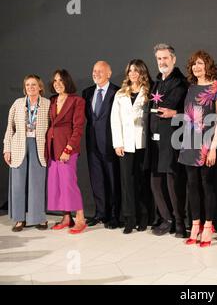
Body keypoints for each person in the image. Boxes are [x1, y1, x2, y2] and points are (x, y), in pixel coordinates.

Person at [178, 50, 217, 247]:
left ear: (207, 65)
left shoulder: (216, 87)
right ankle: (195, 225)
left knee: (207, 184)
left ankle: (208, 226)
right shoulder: (190, 87)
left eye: (200, 63)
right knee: (192, 185)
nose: (196, 67)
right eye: (193, 64)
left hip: (207, 142)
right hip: (188, 142)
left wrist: (214, 147)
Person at [147, 43, 188, 237]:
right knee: (155, 181)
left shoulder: (181, 82)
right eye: (159, 59)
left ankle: (180, 223)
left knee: (173, 182)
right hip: (155, 139)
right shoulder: (157, 82)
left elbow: (174, 108)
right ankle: (167, 219)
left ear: (173, 59)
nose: (162, 62)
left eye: (165, 58)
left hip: (172, 138)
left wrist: (175, 113)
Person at [3, 75, 50, 231]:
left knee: (36, 183)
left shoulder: (47, 104)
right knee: (18, 184)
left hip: (38, 145)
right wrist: (7, 149)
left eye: (34, 84)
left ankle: (39, 218)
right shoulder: (18, 103)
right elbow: (10, 127)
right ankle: (19, 219)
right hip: (19, 145)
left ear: (40, 87)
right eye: (28, 85)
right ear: (25, 88)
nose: (31, 87)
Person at [111, 59, 152, 234]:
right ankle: (129, 218)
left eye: (136, 70)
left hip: (142, 143)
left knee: (142, 181)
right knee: (127, 182)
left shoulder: (149, 92)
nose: (133, 74)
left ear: (142, 72)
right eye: (130, 71)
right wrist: (117, 143)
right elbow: (115, 120)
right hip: (125, 145)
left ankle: (144, 217)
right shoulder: (120, 94)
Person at [46, 69, 87, 234]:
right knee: (58, 184)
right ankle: (66, 218)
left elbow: (78, 128)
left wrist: (68, 149)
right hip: (52, 148)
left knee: (69, 184)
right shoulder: (52, 101)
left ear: (67, 82)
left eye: (61, 81)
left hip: (67, 148)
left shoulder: (77, 101)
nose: (57, 84)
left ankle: (80, 219)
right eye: (55, 81)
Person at [82, 61, 121, 229]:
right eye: (94, 70)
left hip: (111, 143)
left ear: (109, 73)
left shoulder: (117, 92)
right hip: (92, 145)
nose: (96, 73)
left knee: (113, 180)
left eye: (100, 71)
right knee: (97, 180)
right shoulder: (87, 92)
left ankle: (114, 215)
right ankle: (100, 213)